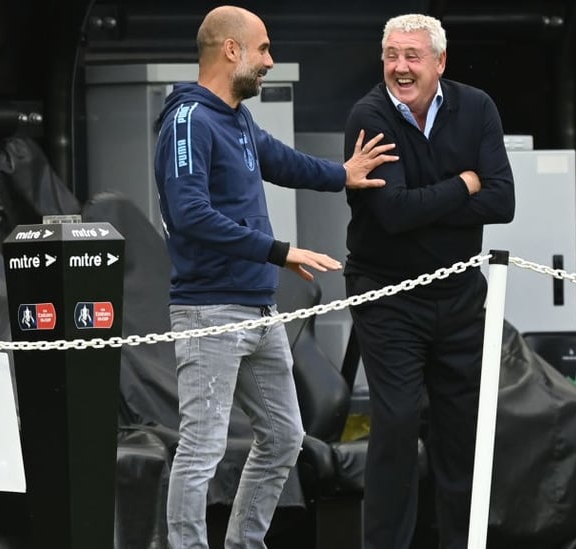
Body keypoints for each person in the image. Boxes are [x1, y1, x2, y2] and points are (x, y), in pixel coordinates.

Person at [152, 6, 398, 549]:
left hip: (258, 310)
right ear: (231, 50)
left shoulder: (235, 117)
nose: (270, 60)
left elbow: (281, 161)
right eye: (263, 48)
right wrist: (278, 251)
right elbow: (190, 214)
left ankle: (245, 543)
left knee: (285, 438)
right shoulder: (189, 120)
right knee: (202, 447)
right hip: (210, 311)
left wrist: (343, 175)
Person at [342, 13, 515, 549]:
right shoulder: (369, 115)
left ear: (440, 61)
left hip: (460, 293)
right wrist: (464, 183)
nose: (400, 67)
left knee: (462, 432)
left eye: (412, 56)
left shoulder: (477, 106)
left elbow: (502, 202)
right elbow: (390, 212)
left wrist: (428, 201)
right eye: (392, 55)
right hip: (388, 294)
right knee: (394, 427)